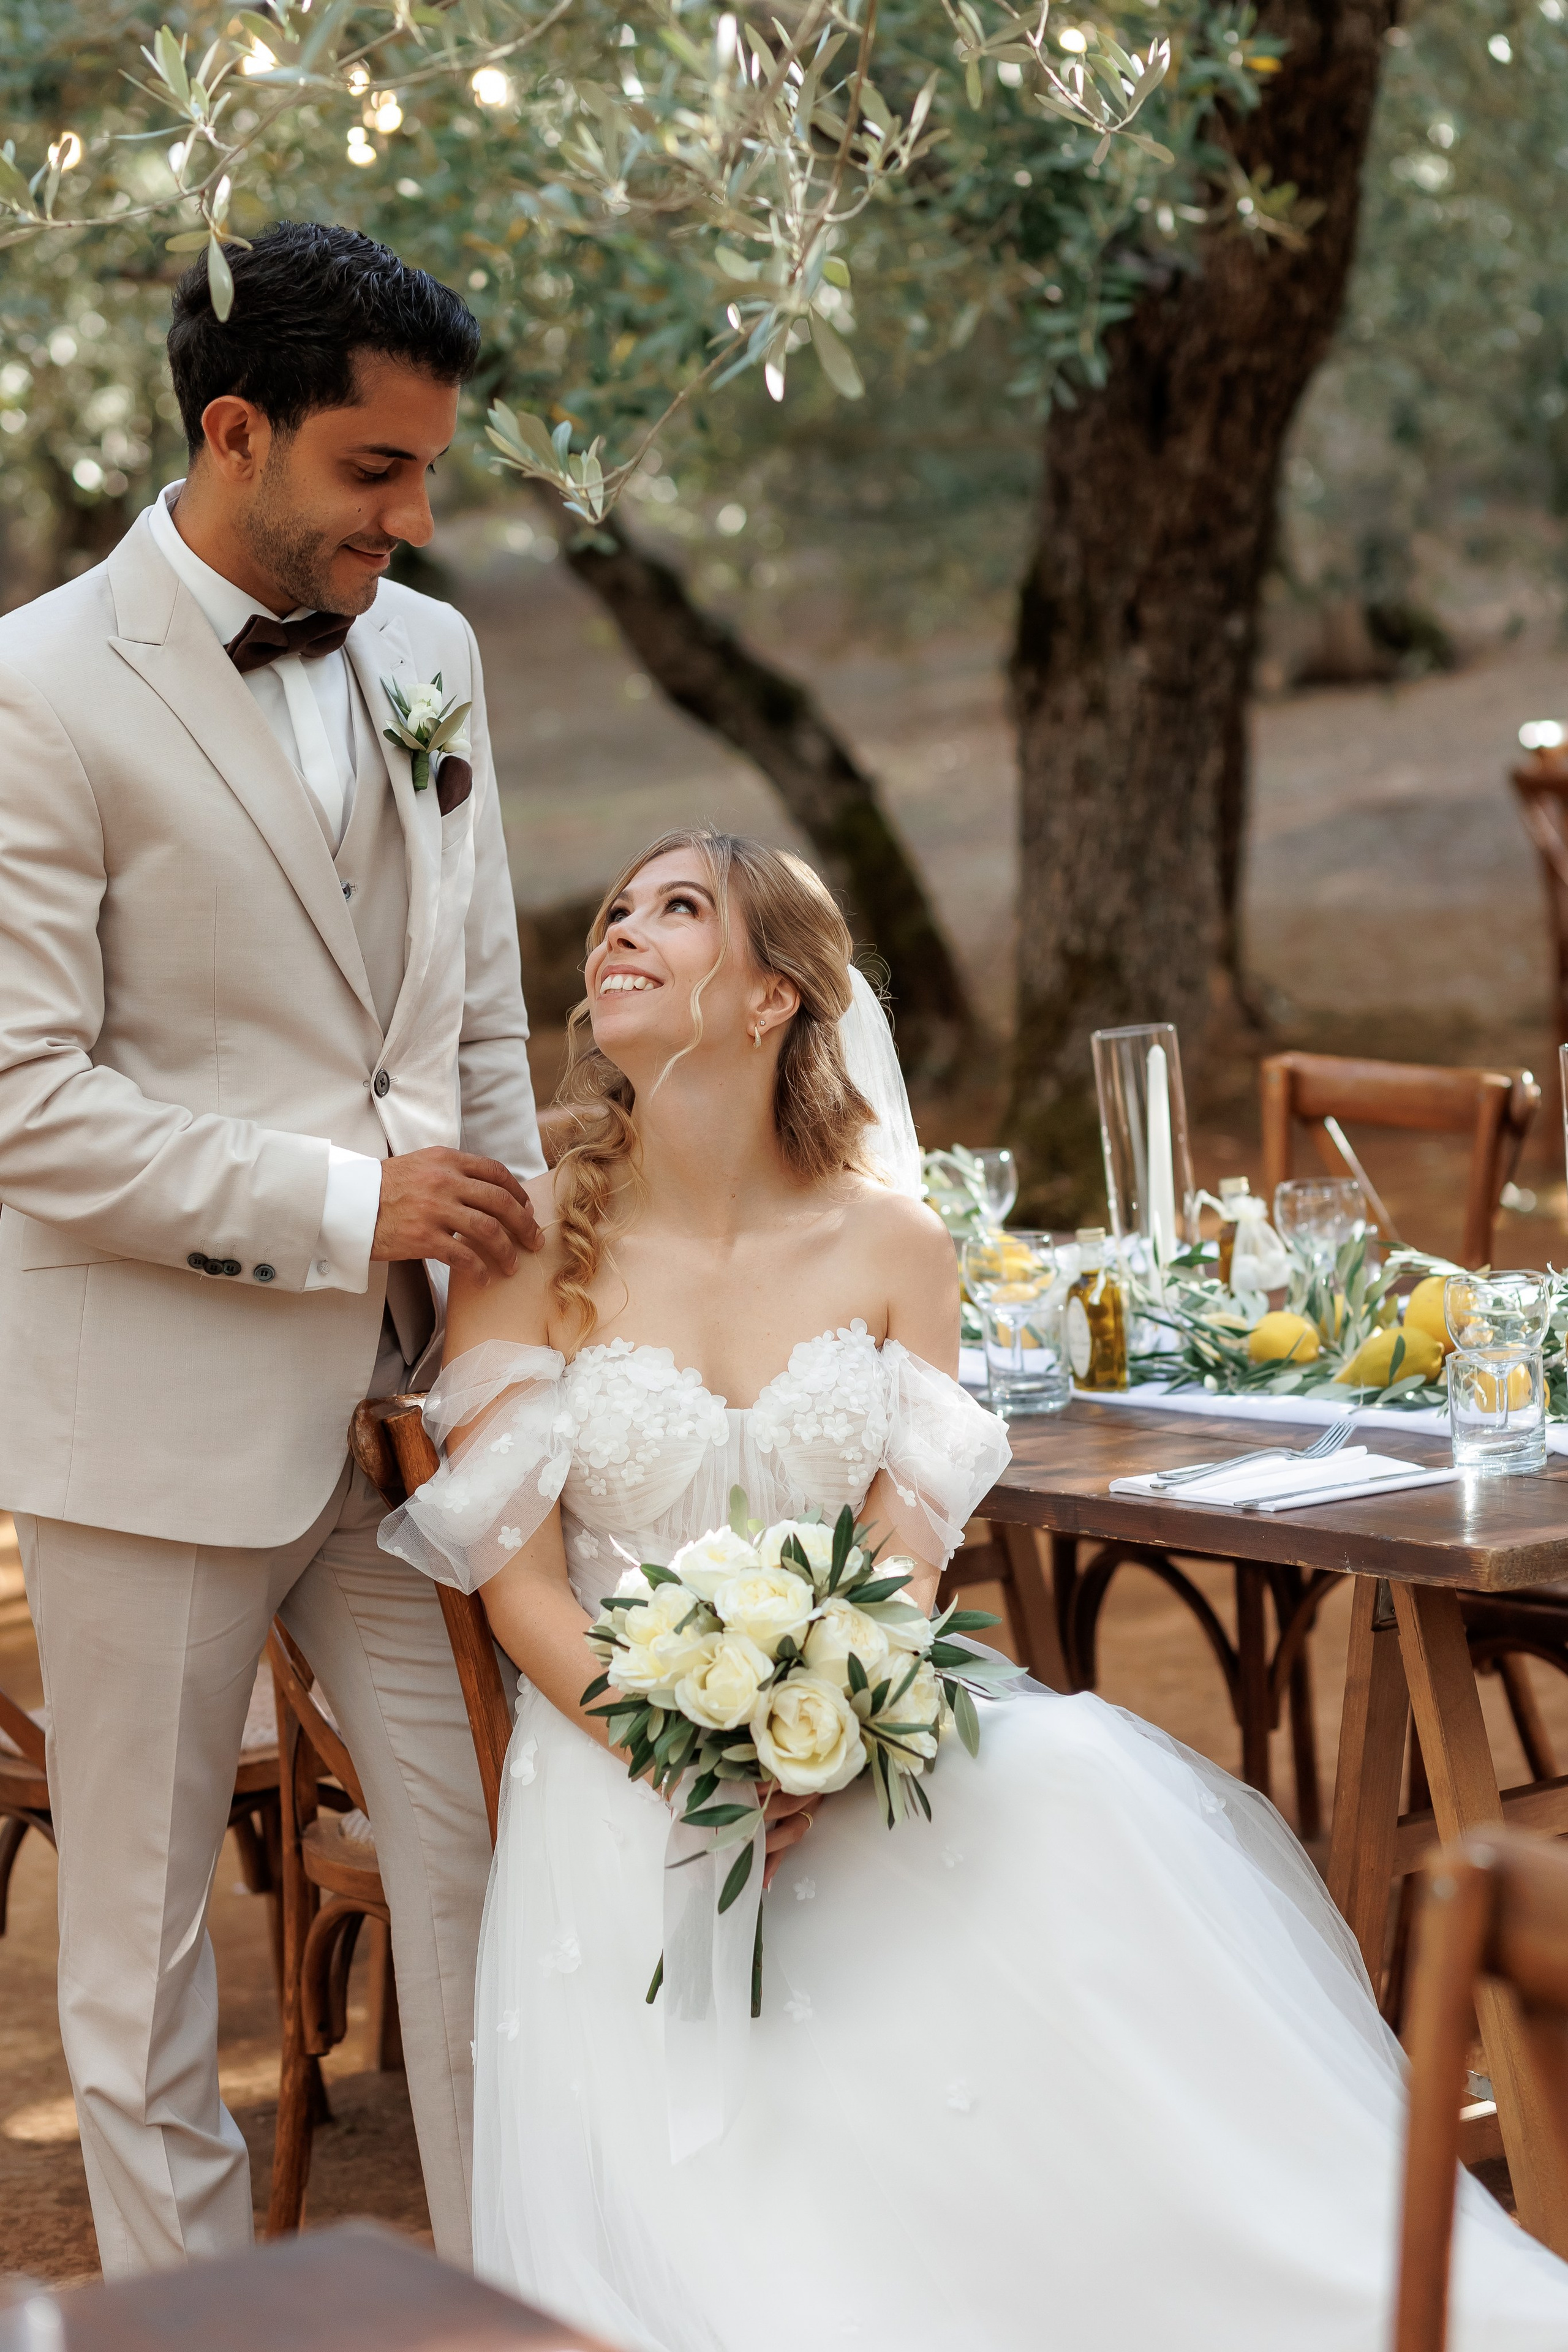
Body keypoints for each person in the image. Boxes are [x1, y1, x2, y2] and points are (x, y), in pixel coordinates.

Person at [384, 826, 1568, 2351]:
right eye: (617, 909)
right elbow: (520, 1589)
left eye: (677, 909)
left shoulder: (895, 1240)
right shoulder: (525, 1235)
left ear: (771, 997)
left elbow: (904, 1550)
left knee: (1072, 1791)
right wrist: (691, 1755)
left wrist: (826, 1724)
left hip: (855, 1733)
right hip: (618, 1746)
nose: (619, 930)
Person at [0, 222, 545, 2273]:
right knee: (143, 1967)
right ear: (234, 432)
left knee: (486, 1871)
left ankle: (500, 2292)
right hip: (150, 1419)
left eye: (428, 470)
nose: (415, 518)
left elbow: (479, 1021)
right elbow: (24, 1105)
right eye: (373, 469)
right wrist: (344, 1207)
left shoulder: (431, 655)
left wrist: (509, 1344)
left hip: (408, 1419)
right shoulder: (36, 691)